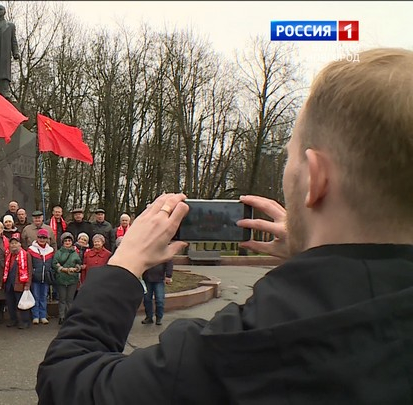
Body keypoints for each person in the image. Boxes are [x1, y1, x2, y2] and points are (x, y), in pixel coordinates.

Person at [37, 48, 413, 404]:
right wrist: (313, 250)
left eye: (289, 157)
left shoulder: (233, 352)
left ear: (316, 179)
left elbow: (66, 380)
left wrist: (123, 266)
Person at [1, 235, 33, 329]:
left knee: (22, 304)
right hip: (9, 283)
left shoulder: (26, 255)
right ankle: (13, 320)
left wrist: (27, 284)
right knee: (10, 303)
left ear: (20, 244)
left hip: (20, 283)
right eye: (12, 243)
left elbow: (29, 271)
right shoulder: (8, 255)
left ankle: (25, 321)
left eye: (15, 243)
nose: (13, 245)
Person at [52, 232, 81, 325]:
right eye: (65, 241)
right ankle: (61, 316)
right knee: (62, 299)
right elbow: (54, 264)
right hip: (61, 278)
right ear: (62, 242)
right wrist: (64, 269)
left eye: (69, 240)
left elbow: (79, 263)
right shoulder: (58, 253)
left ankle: (69, 317)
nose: (67, 242)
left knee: (70, 300)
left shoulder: (75, 253)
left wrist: (76, 268)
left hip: (72, 279)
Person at [28, 228, 54, 325]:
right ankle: (35, 316)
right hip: (35, 277)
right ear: (37, 237)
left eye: (44, 237)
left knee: (43, 297)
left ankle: (43, 315)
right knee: (35, 296)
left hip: (46, 277)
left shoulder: (50, 250)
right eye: (40, 237)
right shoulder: (31, 249)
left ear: (47, 239)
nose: (42, 239)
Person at [141, 260, 173, 326]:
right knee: (147, 299)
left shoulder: (162, 251)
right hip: (147, 279)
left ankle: (159, 318)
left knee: (159, 300)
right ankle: (149, 317)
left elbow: (169, 261)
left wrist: (168, 275)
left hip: (159, 279)